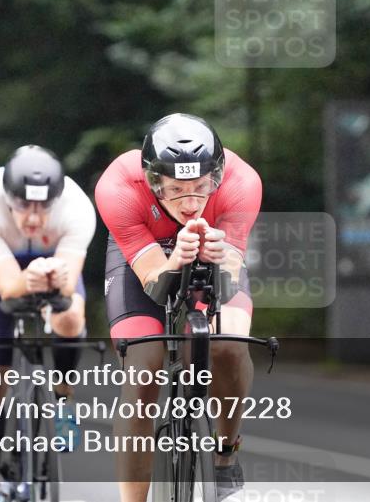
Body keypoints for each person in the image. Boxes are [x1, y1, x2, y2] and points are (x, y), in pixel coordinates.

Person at [95, 113, 262, 502]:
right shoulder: (119, 186)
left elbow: (228, 279)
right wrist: (174, 261)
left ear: (216, 177)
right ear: (154, 181)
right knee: (142, 371)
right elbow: (154, 282)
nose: (190, 203)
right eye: (175, 189)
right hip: (145, 258)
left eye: (201, 187)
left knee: (229, 346)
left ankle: (226, 453)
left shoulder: (241, 183)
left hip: (214, 248)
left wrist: (218, 257)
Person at [0, 145, 97, 502]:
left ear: (57, 199)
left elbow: (66, 290)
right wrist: (28, 278)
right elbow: (8, 289)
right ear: (8, 198)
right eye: (23, 205)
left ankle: (63, 396)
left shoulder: (77, 207)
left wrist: (54, 281)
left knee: (70, 317)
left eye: (43, 207)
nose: (34, 218)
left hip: (54, 261)